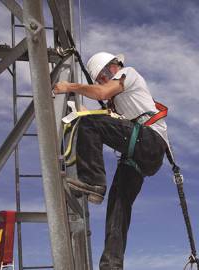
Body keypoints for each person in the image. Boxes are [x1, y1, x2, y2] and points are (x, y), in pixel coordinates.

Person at [53, 52, 169, 269]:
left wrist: (69, 87)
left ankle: (93, 182)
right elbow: (106, 119)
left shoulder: (128, 74)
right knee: (118, 207)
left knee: (90, 124)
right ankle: (111, 265)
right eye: (100, 79)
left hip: (148, 141)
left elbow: (102, 93)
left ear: (115, 66)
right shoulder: (117, 104)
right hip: (141, 156)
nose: (103, 82)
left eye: (105, 76)